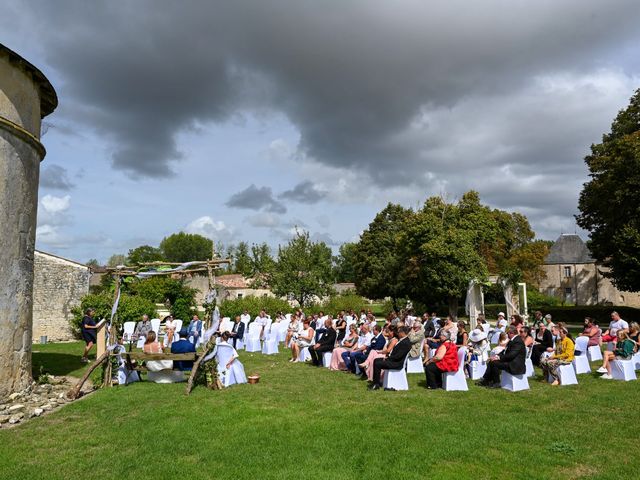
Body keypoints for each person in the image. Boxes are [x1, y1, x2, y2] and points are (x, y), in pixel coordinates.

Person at [369, 326, 412, 390]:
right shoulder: (403, 340)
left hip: (397, 363)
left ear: (403, 333)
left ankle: (376, 384)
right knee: (376, 360)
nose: (397, 333)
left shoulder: (406, 342)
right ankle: (376, 382)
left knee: (378, 364)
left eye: (399, 332)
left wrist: (387, 359)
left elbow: (398, 356)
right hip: (394, 360)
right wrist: (387, 357)